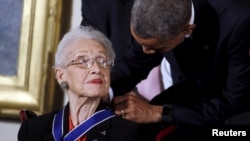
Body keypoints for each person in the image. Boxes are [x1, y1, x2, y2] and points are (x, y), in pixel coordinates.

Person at [110, 0, 250, 139]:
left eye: (155, 48)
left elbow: (234, 102)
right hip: (194, 86)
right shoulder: (152, 12)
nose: (145, 51)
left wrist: (158, 113)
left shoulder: (238, 22)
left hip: (238, 105)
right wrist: (105, 90)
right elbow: (135, 61)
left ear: (188, 29)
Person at [17, 26, 138, 141]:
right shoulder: (32, 130)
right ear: (61, 75)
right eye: (83, 61)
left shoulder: (128, 134)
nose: (97, 69)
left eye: (102, 61)